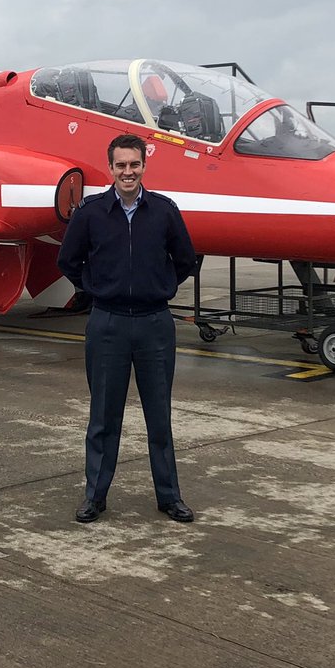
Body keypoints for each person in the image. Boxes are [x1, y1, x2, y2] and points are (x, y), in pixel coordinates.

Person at [58, 133, 198, 524]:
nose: (128, 172)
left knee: (159, 415)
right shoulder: (90, 213)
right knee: (103, 416)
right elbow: (68, 261)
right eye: (121, 165)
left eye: (134, 164)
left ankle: (169, 496)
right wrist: (98, 288)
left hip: (155, 325)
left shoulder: (165, 211)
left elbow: (186, 259)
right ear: (111, 168)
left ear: (144, 166)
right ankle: (95, 497)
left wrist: (160, 286)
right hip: (108, 325)